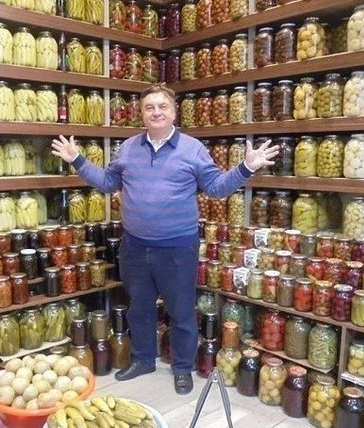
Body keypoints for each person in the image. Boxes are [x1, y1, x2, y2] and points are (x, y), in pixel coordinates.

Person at [51, 84, 278, 394]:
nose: (156, 112)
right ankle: (143, 359)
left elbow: (216, 187)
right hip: (134, 246)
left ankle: (182, 368)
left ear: (173, 112)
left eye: (162, 107)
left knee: (181, 311)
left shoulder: (192, 149)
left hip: (177, 248)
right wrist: (78, 159)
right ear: (141, 113)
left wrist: (246, 167)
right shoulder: (128, 148)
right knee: (139, 308)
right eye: (149, 107)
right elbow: (107, 182)